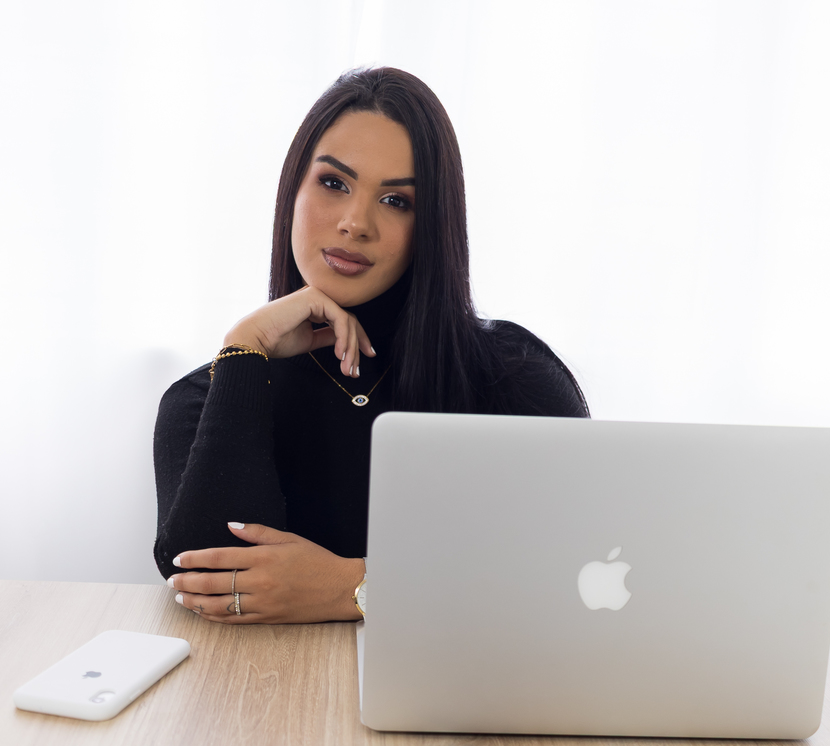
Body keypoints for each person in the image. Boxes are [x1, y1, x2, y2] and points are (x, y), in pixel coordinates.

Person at [153, 67, 588, 625]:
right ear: (292, 191)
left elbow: (577, 576)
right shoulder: (205, 396)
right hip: (267, 683)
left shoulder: (513, 377)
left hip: (461, 685)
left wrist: (355, 587)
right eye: (334, 183)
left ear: (432, 225)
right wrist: (244, 347)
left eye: (396, 200)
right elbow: (210, 583)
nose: (356, 223)